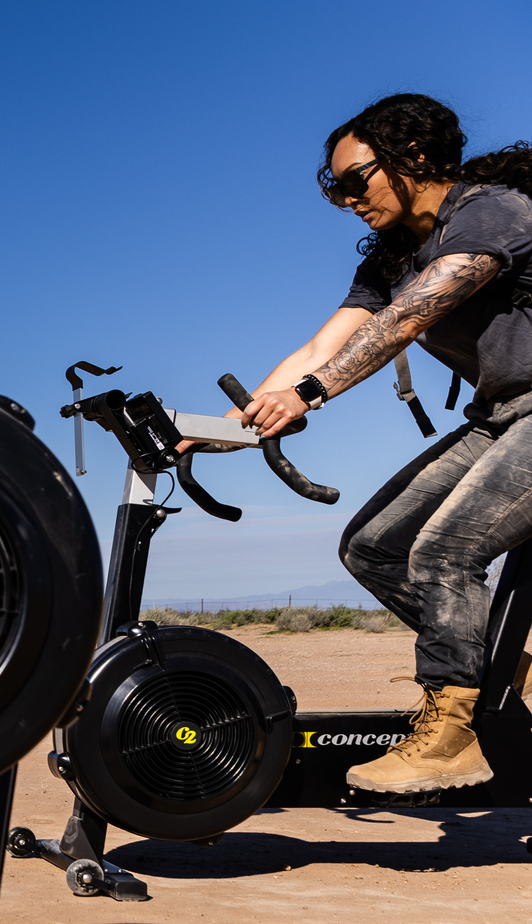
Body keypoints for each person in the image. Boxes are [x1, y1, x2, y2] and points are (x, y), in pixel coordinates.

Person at [208, 93, 532, 795]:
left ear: (413, 157)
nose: (347, 199)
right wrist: (221, 430)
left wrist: (313, 394)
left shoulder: (493, 210)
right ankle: (496, 664)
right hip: (504, 415)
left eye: (357, 180)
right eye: (335, 189)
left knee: (447, 548)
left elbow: (412, 316)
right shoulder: (392, 257)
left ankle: (449, 734)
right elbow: (325, 344)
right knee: (373, 547)